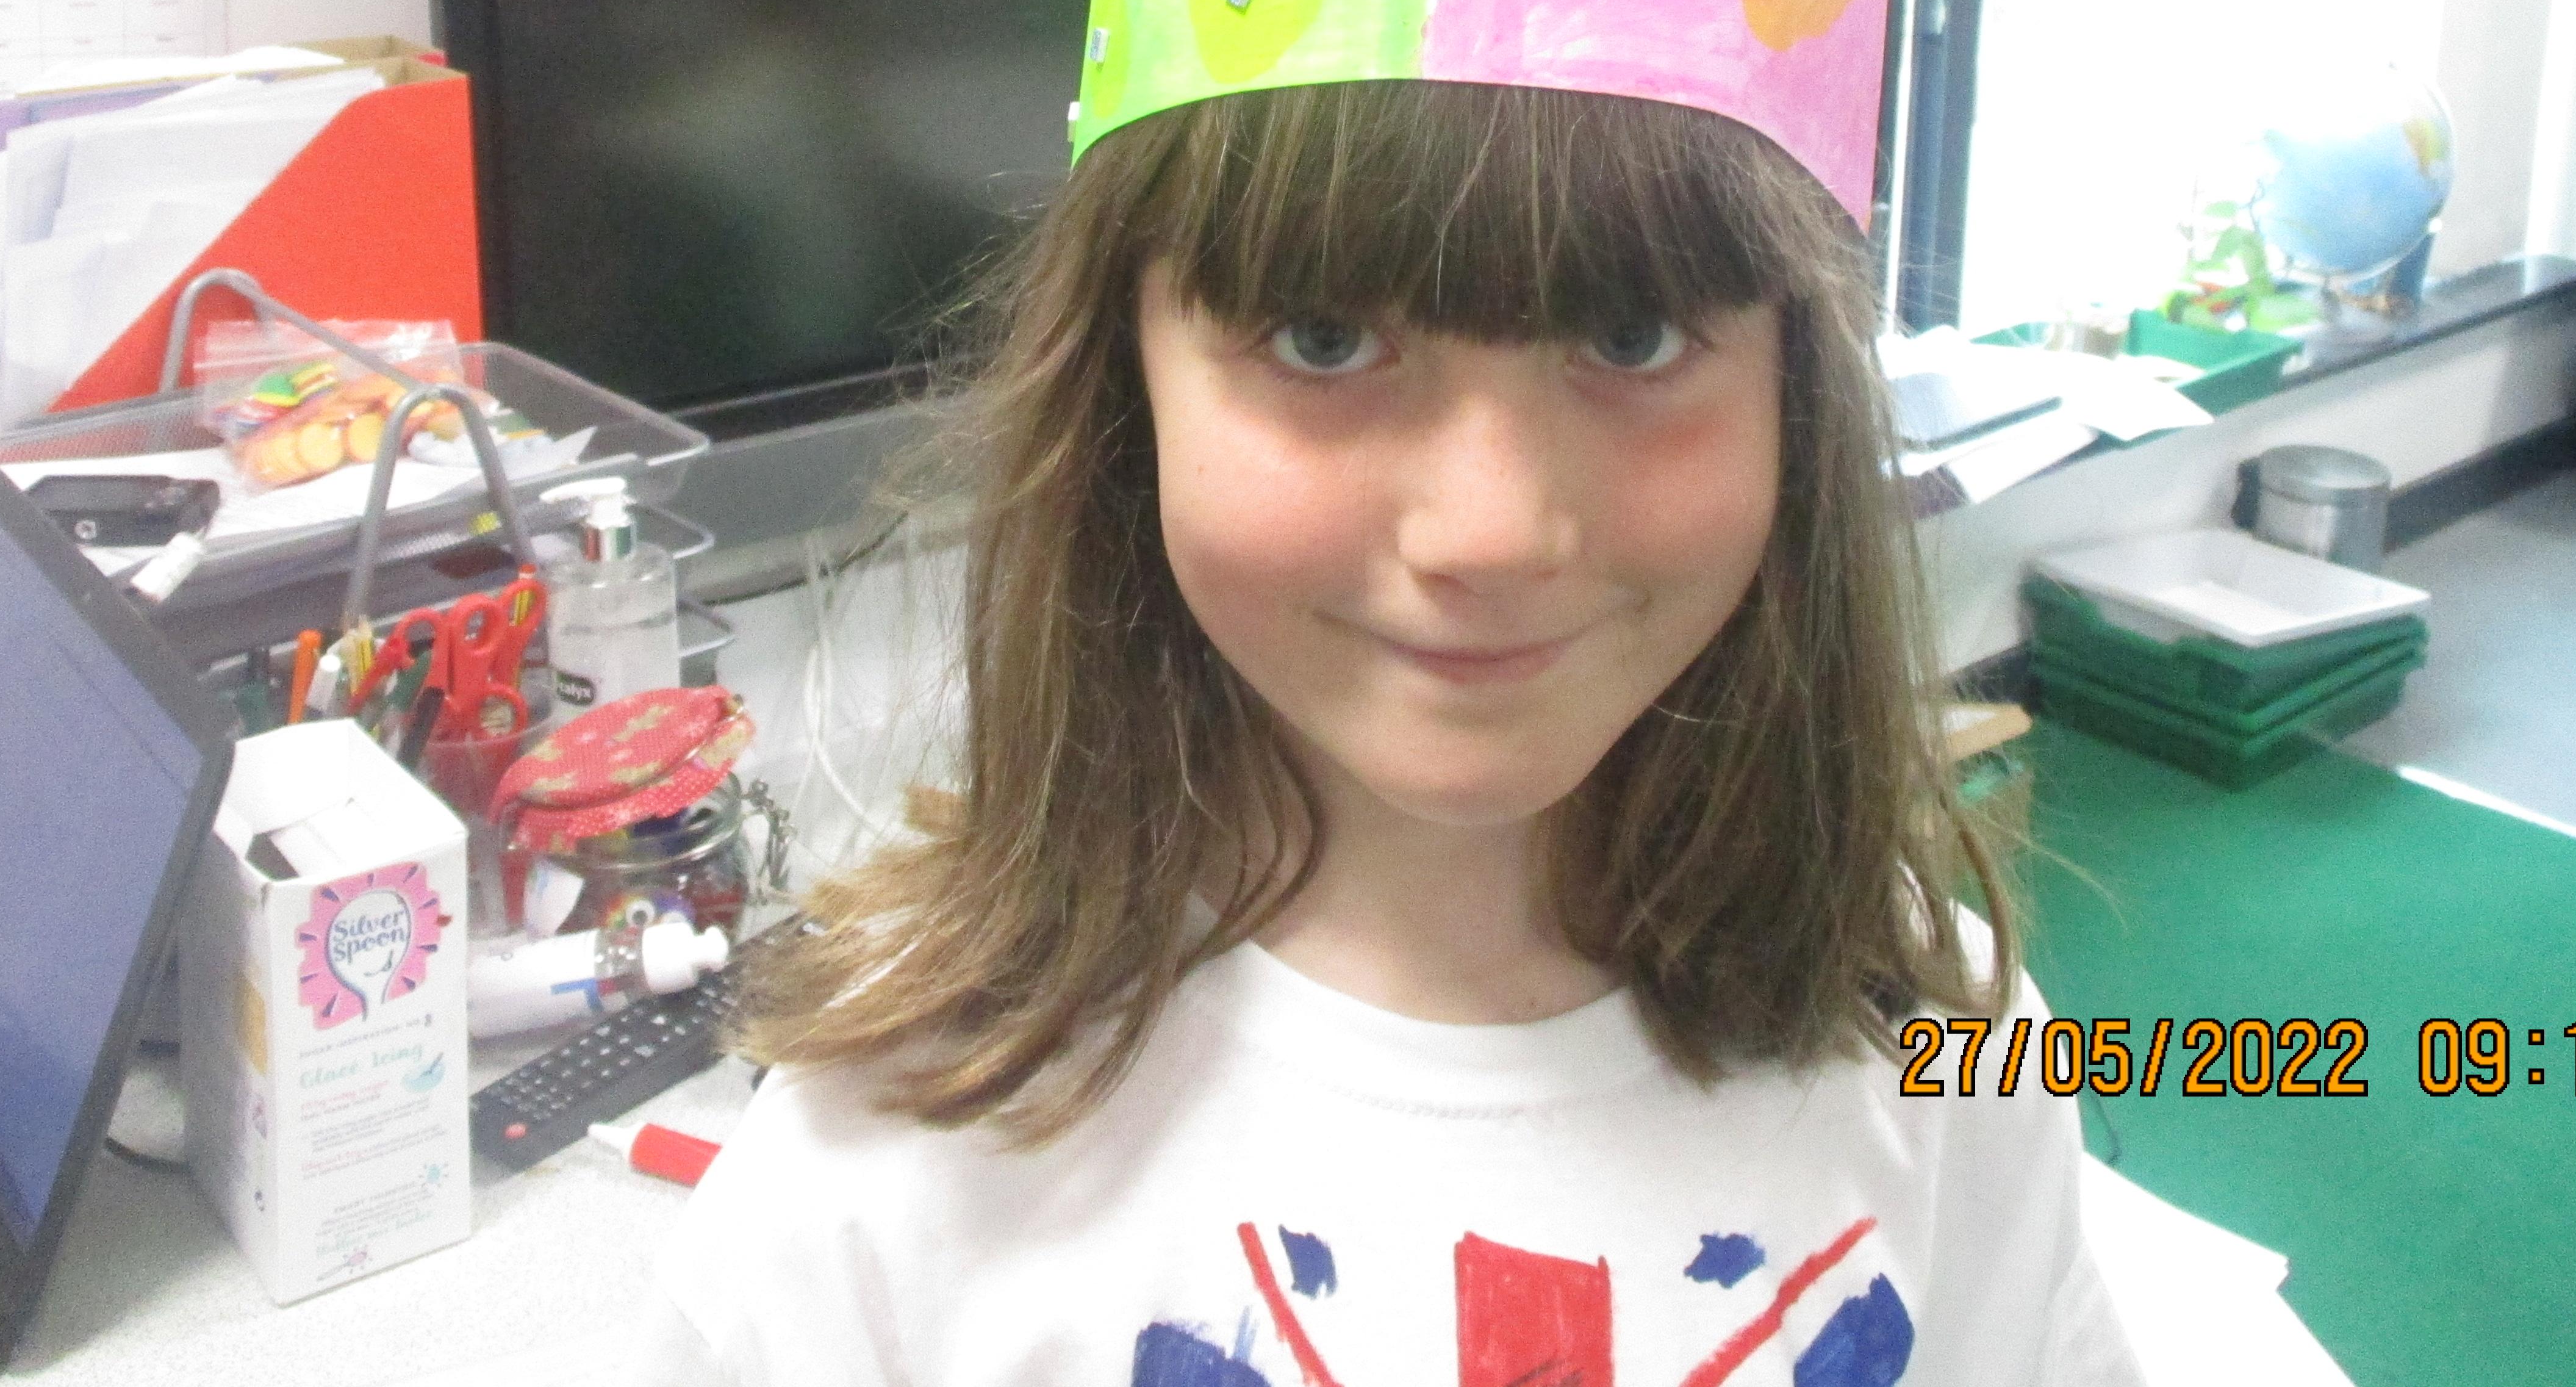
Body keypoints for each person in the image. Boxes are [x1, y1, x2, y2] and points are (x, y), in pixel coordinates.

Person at [628, 84, 2139, 1385]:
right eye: (1325, 337)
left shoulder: (1945, 1050)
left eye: (1630, 335)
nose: (1491, 530)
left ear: (1791, 394)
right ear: (1124, 392)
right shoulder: (880, 1169)